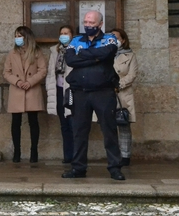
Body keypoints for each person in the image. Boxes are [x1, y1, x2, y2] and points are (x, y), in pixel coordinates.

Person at [63, 11, 125, 180]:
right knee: (79, 132)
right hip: (80, 93)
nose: (88, 25)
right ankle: (78, 168)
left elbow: (107, 53)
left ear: (100, 24)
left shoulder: (109, 39)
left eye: (91, 23)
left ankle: (115, 168)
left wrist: (83, 54)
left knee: (109, 131)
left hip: (103, 92)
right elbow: (70, 60)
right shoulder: (76, 40)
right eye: (86, 22)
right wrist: (96, 58)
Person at [3, 26, 47, 163]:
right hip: (17, 90)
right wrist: (17, 82)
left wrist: (30, 82)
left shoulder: (36, 52)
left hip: (32, 90)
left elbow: (42, 70)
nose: (17, 38)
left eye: (20, 36)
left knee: (33, 121)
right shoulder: (12, 53)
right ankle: (17, 151)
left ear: (26, 37)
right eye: (16, 36)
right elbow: (6, 72)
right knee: (16, 122)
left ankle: (34, 151)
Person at [46, 25, 74, 164]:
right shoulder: (55, 51)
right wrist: (48, 88)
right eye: (61, 33)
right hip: (58, 89)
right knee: (64, 124)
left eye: (66, 33)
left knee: (73, 123)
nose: (63, 35)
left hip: (71, 90)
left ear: (72, 35)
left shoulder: (76, 49)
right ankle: (67, 156)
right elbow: (51, 72)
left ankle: (77, 156)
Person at [112, 27, 138, 167]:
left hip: (122, 93)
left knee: (123, 125)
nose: (114, 40)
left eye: (116, 37)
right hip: (107, 93)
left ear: (123, 40)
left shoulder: (130, 55)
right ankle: (113, 155)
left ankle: (125, 155)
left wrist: (118, 84)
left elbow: (132, 75)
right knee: (109, 126)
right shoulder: (105, 53)